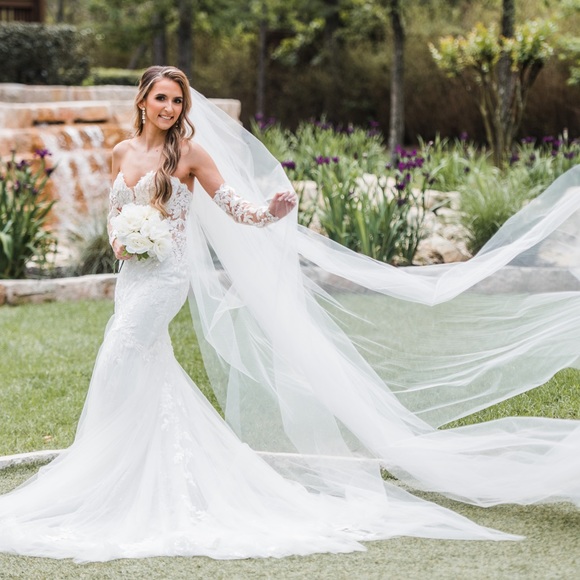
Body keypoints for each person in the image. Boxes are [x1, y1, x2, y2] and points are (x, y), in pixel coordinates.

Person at [1, 65, 580, 562]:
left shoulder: (191, 153)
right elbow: (116, 212)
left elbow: (232, 205)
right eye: (162, 98)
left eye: (177, 100)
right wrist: (121, 239)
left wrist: (269, 211)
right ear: (143, 102)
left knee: (120, 353)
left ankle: (105, 467)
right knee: (140, 363)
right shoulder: (121, 152)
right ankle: (126, 469)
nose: (170, 108)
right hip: (133, 277)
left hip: (167, 278)